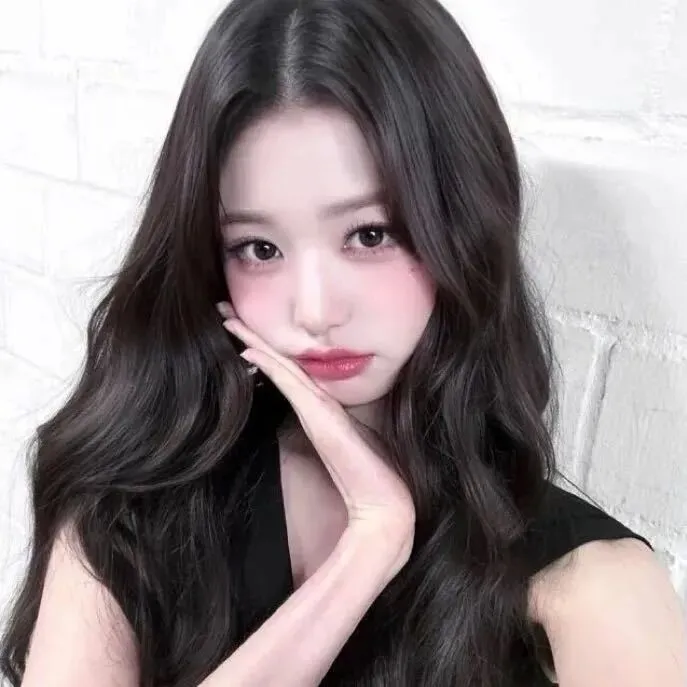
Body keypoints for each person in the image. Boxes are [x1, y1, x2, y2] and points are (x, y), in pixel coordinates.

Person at [2, 0, 686, 685]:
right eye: (258, 247)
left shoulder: (594, 589)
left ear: (461, 225)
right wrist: (369, 547)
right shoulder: (131, 504)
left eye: (369, 234)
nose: (315, 310)